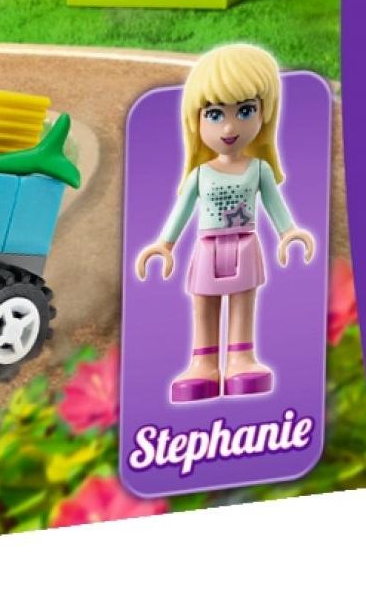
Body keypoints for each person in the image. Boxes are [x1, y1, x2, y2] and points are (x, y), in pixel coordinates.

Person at [135, 44, 318, 403]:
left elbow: (275, 204)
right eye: (215, 114)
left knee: (243, 301)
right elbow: (181, 210)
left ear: (264, 113)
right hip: (207, 247)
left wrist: (289, 232)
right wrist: (165, 244)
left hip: (245, 243)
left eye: (245, 110)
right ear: (196, 120)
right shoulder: (201, 174)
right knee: (203, 303)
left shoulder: (259, 170)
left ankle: (240, 359)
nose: (230, 126)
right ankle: (203, 363)